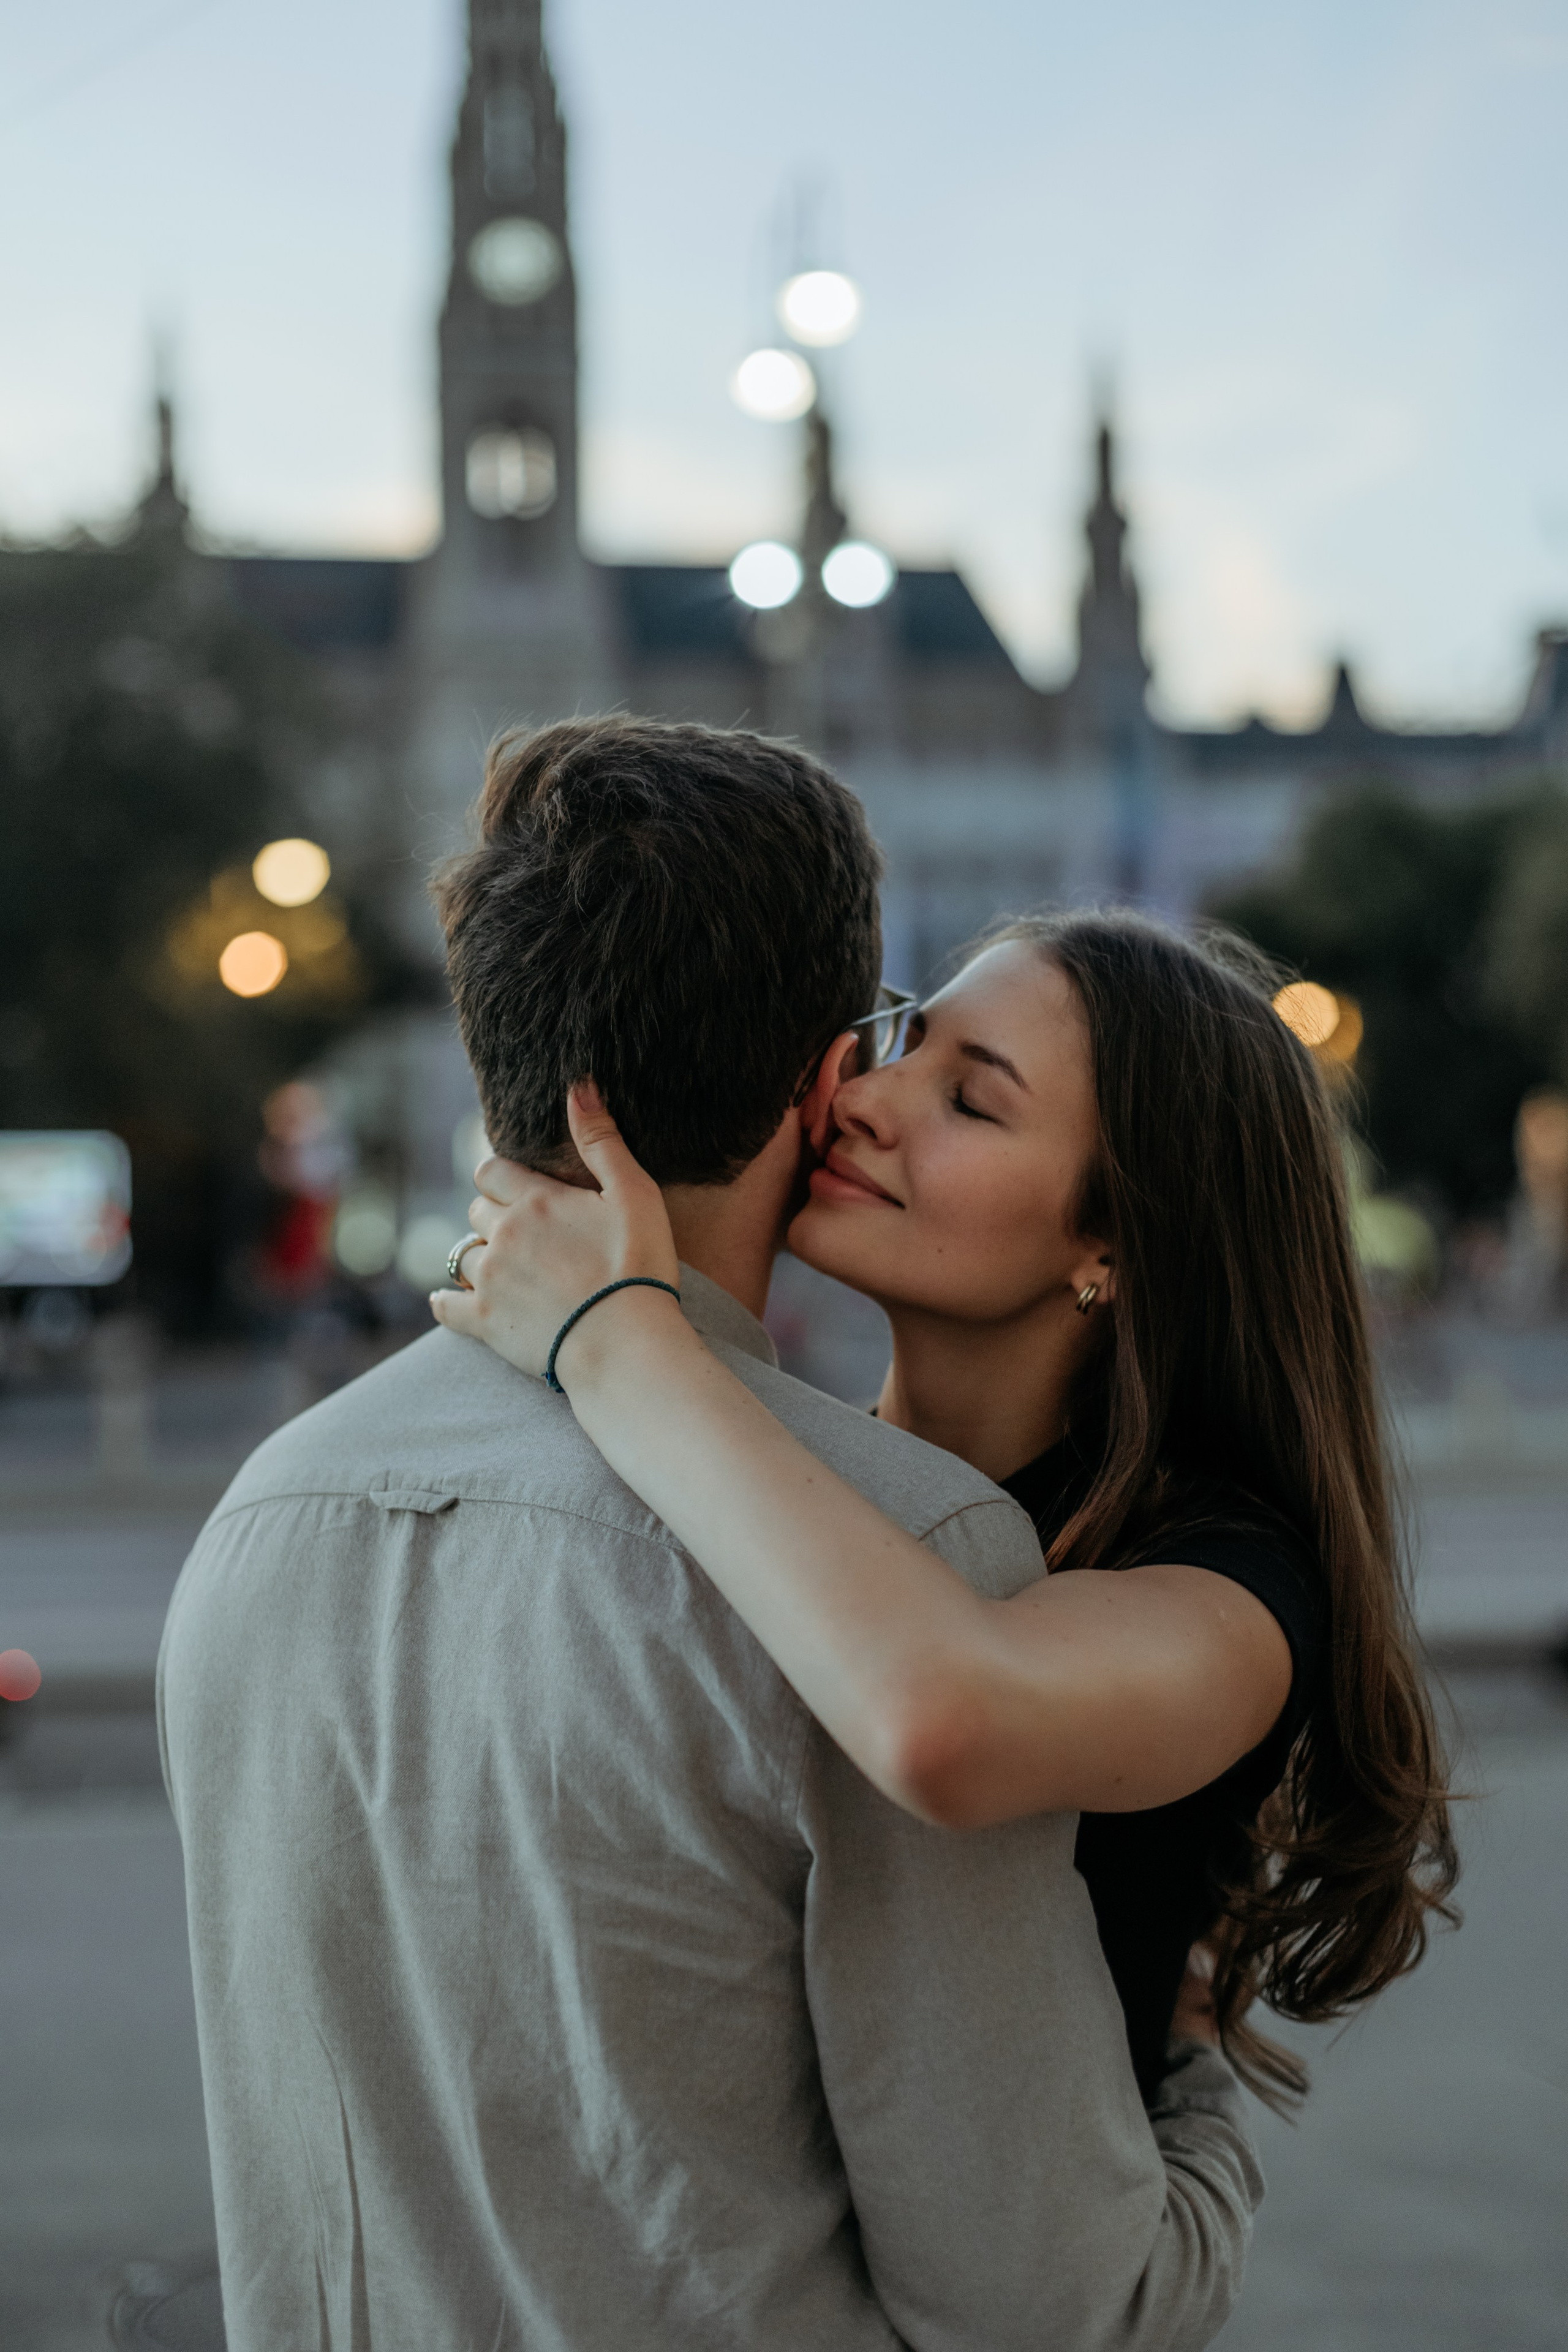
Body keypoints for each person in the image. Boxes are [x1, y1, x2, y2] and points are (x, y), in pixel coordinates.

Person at [159, 718, 1263, 2352]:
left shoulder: (264, 1517)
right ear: (824, 1081)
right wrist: (1204, 2101)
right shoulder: (911, 1553)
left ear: (498, 1036)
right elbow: (1049, 2302)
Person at [435, 905, 1458, 2108]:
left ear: (1114, 1240)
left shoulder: (1233, 1583)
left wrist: (613, 1337)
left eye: (970, 1101)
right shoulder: (783, 1479)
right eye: (905, 1041)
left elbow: (943, 1724)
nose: (868, 1098)